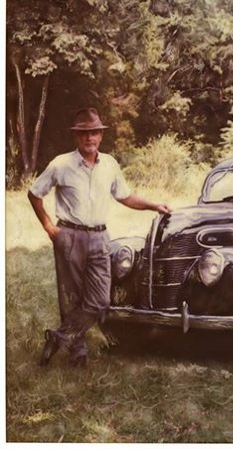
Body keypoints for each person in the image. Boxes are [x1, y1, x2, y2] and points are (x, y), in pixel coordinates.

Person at [28, 107, 171, 368]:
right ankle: (78, 353)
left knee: (100, 300)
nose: (89, 138)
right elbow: (34, 193)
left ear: (101, 136)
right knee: (71, 297)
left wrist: (154, 205)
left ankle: (58, 338)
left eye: (94, 133)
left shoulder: (110, 165)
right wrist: (50, 227)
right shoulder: (61, 164)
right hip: (69, 236)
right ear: (76, 137)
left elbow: (125, 196)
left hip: (100, 238)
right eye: (84, 134)